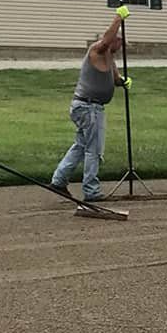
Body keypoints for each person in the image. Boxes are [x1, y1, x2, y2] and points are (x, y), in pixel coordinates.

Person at [51, 11, 127, 207]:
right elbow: (106, 40)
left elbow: (115, 79)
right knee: (94, 150)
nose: (122, 47)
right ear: (114, 40)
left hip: (90, 107)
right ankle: (91, 191)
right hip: (88, 107)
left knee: (81, 146)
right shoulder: (97, 50)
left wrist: (123, 82)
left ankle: (58, 180)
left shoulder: (110, 58)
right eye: (120, 43)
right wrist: (118, 19)